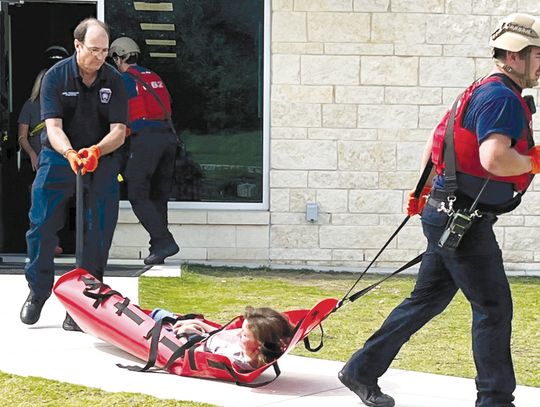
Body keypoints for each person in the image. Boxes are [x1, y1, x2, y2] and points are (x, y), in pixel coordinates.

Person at [338, 13, 540, 407]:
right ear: (516, 56)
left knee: (426, 300)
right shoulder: (501, 98)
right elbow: (495, 159)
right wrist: (535, 160)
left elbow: (440, 147)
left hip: (445, 212)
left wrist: (421, 195)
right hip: (463, 221)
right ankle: (495, 401)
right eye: (539, 53)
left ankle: (361, 370)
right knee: (493, 309)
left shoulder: (481, 88)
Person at [19, 18, 128, 331]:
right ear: (77, 45)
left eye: (105, 51)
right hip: (58, 156)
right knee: (41, 226)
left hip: (101, 159)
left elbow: (119, 131)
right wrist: (70, 154)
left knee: (99, 230)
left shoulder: (114, 80)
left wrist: (95, 151)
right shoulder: (56, 76)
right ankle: (38, 291)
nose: (100, 57)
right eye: (93, 50)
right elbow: (53, 127)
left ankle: (82, 303)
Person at [109, 36, 179, 265]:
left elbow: (117, 113)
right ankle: (158, 248)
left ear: (119, 57)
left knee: (136, 191)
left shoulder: (122, 80)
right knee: (158, 196)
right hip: (168, 139)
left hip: (146, 139)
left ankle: (164, 240)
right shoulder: (154, 77)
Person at [18, 46, 70, 256]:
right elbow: (22, 136)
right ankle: (41, 243)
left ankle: (53, 241)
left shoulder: (65, 103)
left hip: (61, 157)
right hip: (38, 162)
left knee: (59, 201)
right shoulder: (30, 106)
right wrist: (32, 153)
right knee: (39, 203)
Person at [150, 306, 293, 370]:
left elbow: (192, 358)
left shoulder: (235, 361)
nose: (238, 334)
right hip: (204, 334)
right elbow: (223, 335)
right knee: (159, 314)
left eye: (243, 334)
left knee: (155, 317)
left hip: (189, 342)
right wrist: (199, 323)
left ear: (260, 345)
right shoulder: (248, 345)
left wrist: (182, 334)